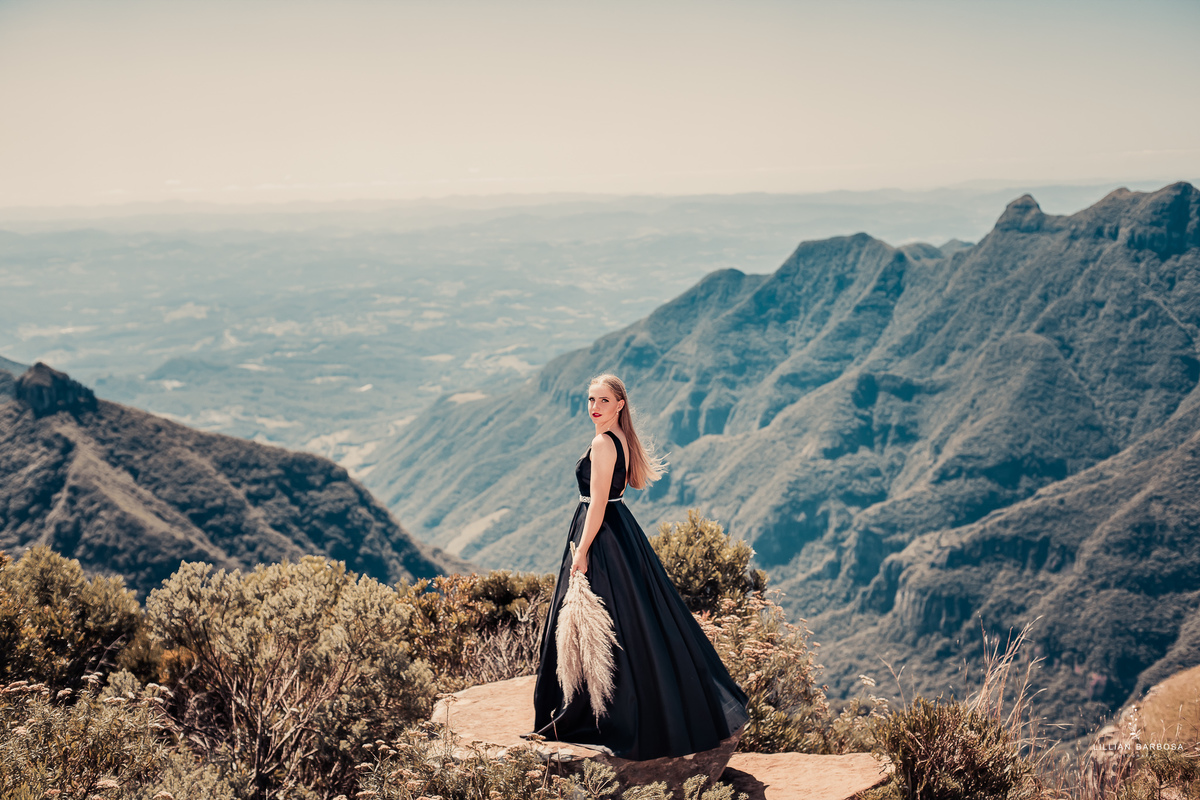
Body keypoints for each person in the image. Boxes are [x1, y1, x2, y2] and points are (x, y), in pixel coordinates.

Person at [531, 373, 750, 760]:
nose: (594, 408)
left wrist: (581, 551)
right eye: (589, 400)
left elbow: (597, 503)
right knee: (632, 620)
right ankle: (644, 705)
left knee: (599, 620)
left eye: (602, 400)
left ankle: (602, 711)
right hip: (620, 532)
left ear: (620, 405)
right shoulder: (621, 440)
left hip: (599, 534)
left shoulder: (603, 442)